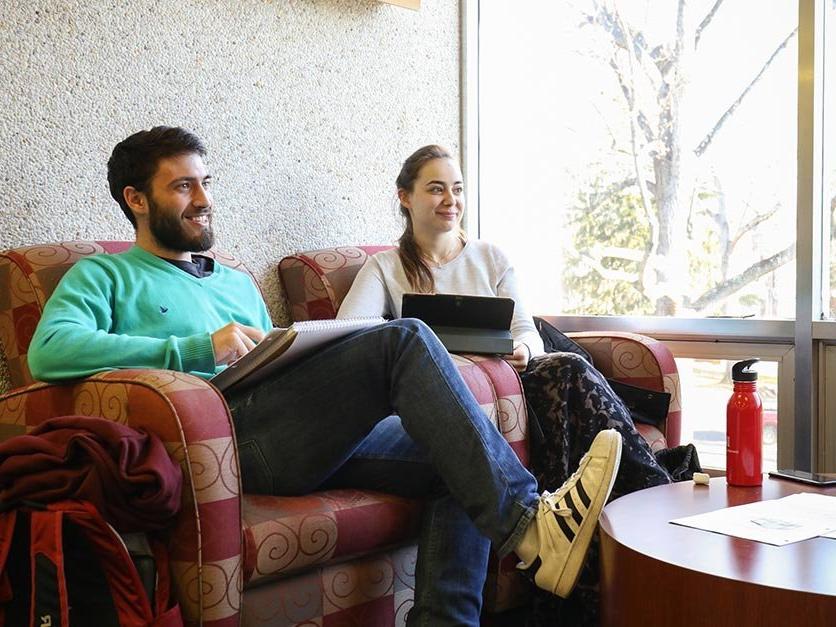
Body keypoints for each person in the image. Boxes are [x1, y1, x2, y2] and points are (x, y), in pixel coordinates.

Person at [27, 126, 623, 627]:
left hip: (291, 428)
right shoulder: (103, 276)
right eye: (183, 186)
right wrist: (195, 346)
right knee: (405, 337)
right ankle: (530, 524)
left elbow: (274, 371)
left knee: (456, 451)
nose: (203, 198)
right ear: (136, 199)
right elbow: (49, 352)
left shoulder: (234, 281)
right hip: (227, 444)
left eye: (206, 182)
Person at [337, 144, 674, 624]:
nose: (450, 200)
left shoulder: (490, 258)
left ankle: (643, 499)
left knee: (565, 370)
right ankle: (632, 513)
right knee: (560, 384)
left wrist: (524, 353)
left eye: (456, 189)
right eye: (435, 189)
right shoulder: (385, 269)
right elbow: (349, 335)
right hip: (447, 397)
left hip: (515, 379)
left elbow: (524, 332)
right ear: (405, 198)